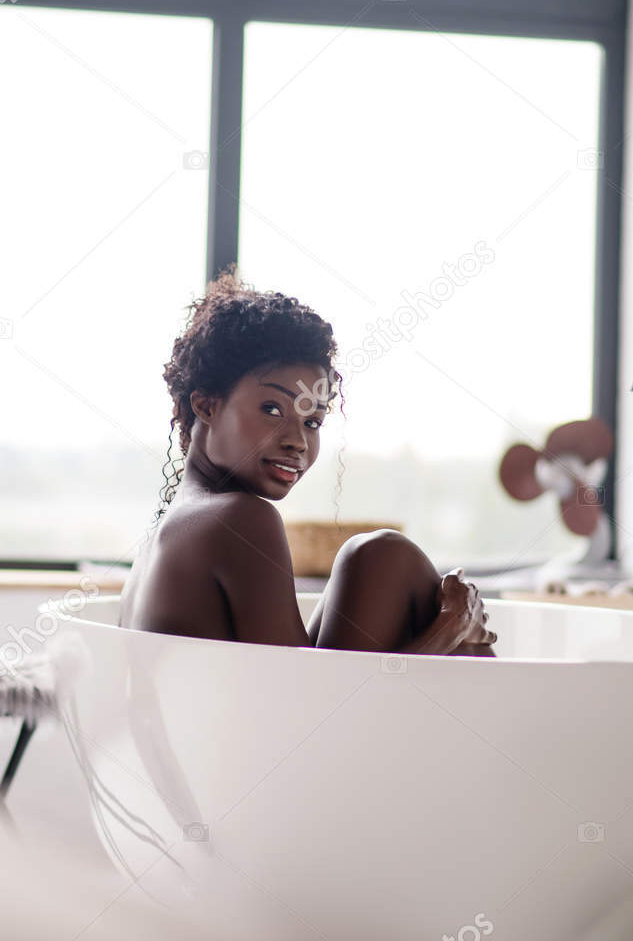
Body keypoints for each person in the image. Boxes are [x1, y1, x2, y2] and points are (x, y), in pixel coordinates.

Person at [118, 267, 497, 656]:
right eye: (271, 408)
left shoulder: (168, 530)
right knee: (382, 558)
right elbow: (307, 707)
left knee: (379, 557)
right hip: (268, 718)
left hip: (222, 715)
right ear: (207, 406)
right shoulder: (240, 518)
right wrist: (450, 628)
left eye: (312, 421)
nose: (297, 441)